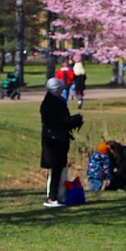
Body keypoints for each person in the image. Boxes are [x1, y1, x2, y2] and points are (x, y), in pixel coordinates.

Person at [40, 78, 83, 207]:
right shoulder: (57, 104)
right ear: (56, 89)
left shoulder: (46, 102)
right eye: (60, 89)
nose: (62, 90)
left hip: (49, 139)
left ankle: (54, 196)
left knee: (54, 170)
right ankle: (53, 197)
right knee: (57, 169)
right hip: (57, 141)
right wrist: (78, 118)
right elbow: (66, 121)